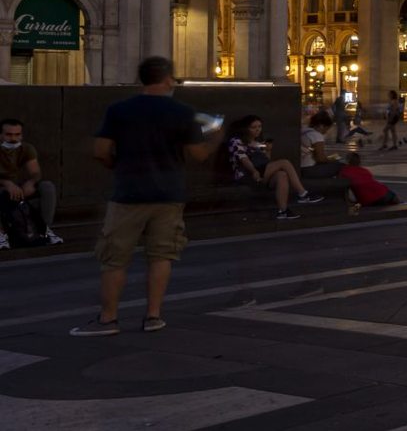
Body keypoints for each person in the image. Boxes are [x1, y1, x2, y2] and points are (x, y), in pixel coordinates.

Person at [72, 57, 221, 336]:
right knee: (161, 255)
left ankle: (108, 319)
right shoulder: (183, 111)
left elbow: (100, 150)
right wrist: (216, 138)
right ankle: (153, 316)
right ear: (166, 80)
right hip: (169, 194)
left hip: (128, 193)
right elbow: (198, 154)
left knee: (114, 258)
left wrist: (118, 166)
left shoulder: (119, 110)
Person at [225, 116, 319, 219]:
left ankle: (283, 211)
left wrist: (268, 150)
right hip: (246, 174)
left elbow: (266, 162)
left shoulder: (258, 143)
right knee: (285, 163)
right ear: (245, 128)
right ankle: (303, 193)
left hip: (261, 172)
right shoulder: (236, 141)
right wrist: (254, 171)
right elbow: (243, 159)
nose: (257, 130)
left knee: (282, 175)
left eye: (259, 126)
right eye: (253, 127)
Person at [0, 117, 60, 246]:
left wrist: (31, 182)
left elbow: (35, 172)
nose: (13, 138)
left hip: (17, 187)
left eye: (17, 134)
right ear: (1, 135)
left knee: (47, 187)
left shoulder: (26, 148)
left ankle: (44, 230)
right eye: (9, 134)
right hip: (2, 187)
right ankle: (1, 234)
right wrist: (6, 183)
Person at [298, 111, 344, 188]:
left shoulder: (304, 131)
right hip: (308, 170)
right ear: (321, 126)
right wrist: (331, 159)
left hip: (300, 168)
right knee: (341, 165)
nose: (326, 132)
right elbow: (320, 159)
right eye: (326, 129)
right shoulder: (316, 135)